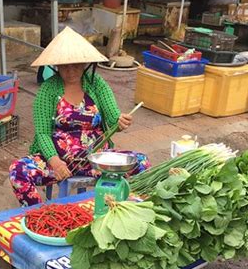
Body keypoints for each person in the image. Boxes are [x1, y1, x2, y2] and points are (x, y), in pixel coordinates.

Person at [9, 27, 150, 207]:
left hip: (96, 160)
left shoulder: (96, 84)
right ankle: (43, 216)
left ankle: (126, 209)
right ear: (56, 66)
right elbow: (42, 133)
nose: (71, 71)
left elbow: (114, 116)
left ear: (85, 64)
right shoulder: (48, 90)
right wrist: (55, 162)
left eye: (76, 64)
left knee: (142, 162)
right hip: (58, 161)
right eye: (65, 66)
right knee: (17, 171)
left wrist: (120, 121)